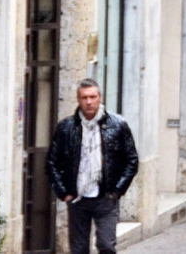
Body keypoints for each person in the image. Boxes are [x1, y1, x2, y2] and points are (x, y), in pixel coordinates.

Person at [48, 79, 139, 254]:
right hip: (77, 198)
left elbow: (132, 160)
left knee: (106, 245)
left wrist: (117, 190)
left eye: (92, 97)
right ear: (78, 99)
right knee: (79, 249)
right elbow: (52, 162)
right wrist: (63, 192)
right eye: (84, 98)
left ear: (100, 98)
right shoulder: (66, 127)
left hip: (106, 197)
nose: (88, 102)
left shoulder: (118, 124)